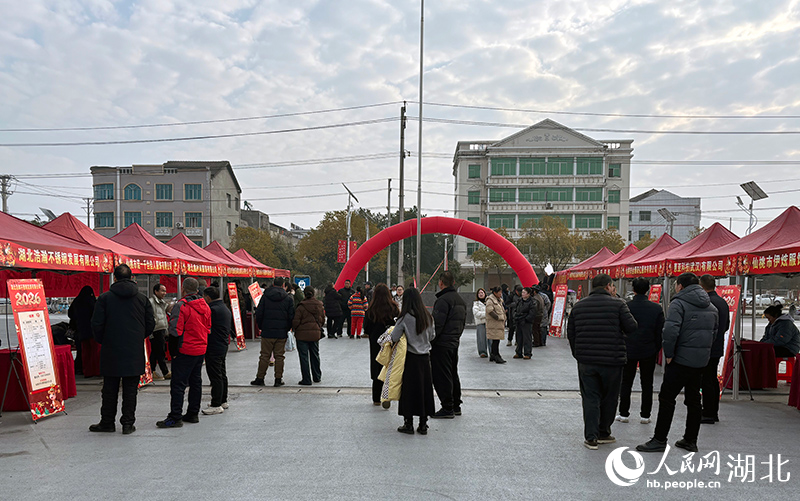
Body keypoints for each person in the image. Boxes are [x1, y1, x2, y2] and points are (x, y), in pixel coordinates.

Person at [637, 272, 718, 454]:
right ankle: (690, 439)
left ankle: (659, 439)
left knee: (667, 398)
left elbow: (670, 331)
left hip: (680, 359)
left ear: (680, 286)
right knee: (694, 399)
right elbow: (714, 332)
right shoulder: (711, 306)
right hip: (700, 361)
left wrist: (670, 353)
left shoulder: (678, 303)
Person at [567, 274, 637, 450]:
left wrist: (578, 353)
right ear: (608, 286)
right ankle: (604, 432)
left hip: (586, 361)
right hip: (612, 360)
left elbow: (571, 333)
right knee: (610, 397)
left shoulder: (579, 306)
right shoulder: (619, 304)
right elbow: (632, 327)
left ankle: (591, 437)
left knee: (590, 397)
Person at [89, 265, 155, 435]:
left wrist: (104, 340)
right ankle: (127, 423)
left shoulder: (104, 298)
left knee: (109, 389)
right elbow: (150, 324)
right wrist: (138, 337)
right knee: (131, 390)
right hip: (134, 350)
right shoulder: (142, 299)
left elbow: (96, 324)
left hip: (111, 349)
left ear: (115, 278)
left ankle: (107, 422)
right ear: (132, 277)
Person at [157, 278, 212, 428]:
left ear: (183, 289)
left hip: (185, 349)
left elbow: (175, 330)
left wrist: (173, 351)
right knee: (196, 382)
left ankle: (175, 416)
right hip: (200, 349)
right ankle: (193, 413)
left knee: (178, 385)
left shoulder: (181, 306)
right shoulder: (205, 305)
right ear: (197, 290)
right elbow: (208, 327)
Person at [617, 278, 665, 425]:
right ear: (648, 289)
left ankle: (623, 413)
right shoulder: (656, 309)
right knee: (647, 383)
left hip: (629, 349)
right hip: (648, 349)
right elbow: (660, 332)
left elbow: (620, 328)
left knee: (626, 382)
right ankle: (645, 415)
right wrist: (655, 348)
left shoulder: (626, 306)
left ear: (633, 289)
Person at [391, 287, 436, 435]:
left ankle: (408, 423)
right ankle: (423, 424)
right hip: (425, 358)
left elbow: (394, 337)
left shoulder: (404, 318)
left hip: (410, 358)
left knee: (409, 390)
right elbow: (432, 336)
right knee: (424, 390)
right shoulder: (428, 317)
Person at [430, 271, 467, 419]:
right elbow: (462, 323)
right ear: (454, 282)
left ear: (441, 283)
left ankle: (447, 407)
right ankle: (456, 404)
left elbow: (437, 325)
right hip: (454, 342)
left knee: (441, 376)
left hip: (441, 344)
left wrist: (431, 341)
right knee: (452, 373)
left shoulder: (442, 301)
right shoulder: (460, 300)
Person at [251, 276, 295, 387]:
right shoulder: (288, 298)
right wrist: (287, 328)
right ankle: (278, 379)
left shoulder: (265, 297)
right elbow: (291, 316)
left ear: (273, 284)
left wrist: (261, 326)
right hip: (281, 332)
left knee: (264, 356)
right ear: (283, 285)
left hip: (267, 331)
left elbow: (259, 313)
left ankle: (260, 378)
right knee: (279, 356)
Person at [699, 274, 730, 425]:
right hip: (717, 345)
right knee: (712, 379)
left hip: (707, 346)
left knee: (706, 380)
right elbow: (726, 325)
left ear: (702, 286)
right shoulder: (722, 302)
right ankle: (713, 411)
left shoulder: (707, 303)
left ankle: (708, 412)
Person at [364, 284, 400, 404]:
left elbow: (366, 328)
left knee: (377, 365)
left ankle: (376, 398)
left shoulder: (371, 309)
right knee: (389, 366)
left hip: (376, 341)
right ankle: (387, 396)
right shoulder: (394, 308)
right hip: (390, 340)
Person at [202, 286, 232, 415]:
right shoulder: (224, 308)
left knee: (215, 375)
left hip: (214, 345)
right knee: (221, 373)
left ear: (208, 297)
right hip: (222, 344)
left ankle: (216, 404)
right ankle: (222, 400)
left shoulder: (212, 310)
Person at [293, 286, 325, 385]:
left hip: (302, 335)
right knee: (315, 355)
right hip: (315, 334)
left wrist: (295, 328)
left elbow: (296, 321)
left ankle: (306, 379)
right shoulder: (319, 305)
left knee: (304, 357)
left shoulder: (301, 306)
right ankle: (317, 376)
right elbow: (322, 319)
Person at [68, 286, 96, 376]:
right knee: (93, 352)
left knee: (82, 351)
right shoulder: (92, 302)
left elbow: (70, 314)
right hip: (92, 331)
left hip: (80, 330)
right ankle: (92, 370)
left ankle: (82, 369)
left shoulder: (76, 301)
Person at [148, 283, 171, 380]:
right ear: (156, 291)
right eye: (162, 291)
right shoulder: (151, 302)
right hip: (156, 330)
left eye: (165, 291)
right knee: (160, 352)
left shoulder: (161, 302)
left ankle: (152, 371)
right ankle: (165, 372)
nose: (164, 293)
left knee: (155, 352)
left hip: (161, 329)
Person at [513, 287, 541, 359]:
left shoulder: (532, 302)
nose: (522, 294)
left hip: (526, 322)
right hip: (519, 321)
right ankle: (518, 352)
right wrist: (516, 316)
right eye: (522, 292)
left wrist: (526, 319)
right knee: (519, 338)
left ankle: (527, 353)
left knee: (527, 338)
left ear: (528, 294)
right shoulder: (520, 301)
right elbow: (515, 309)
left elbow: (532, 313)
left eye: (524, 293)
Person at [485, 286, 507, 364]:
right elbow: (489, 310)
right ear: (495, 293)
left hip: (498, 324)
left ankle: (493, 354)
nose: (501, 294)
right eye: (499, 293)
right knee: (495, 340)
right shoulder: (490, 300)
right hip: (494, 324)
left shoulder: (499, 300)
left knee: (496, 340)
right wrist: (498, 317)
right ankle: (496, 355)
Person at [472, 289, 489, 358]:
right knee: (481, 338)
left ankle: (492, 352)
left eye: (482, 292)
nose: (481, 294)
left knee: (491, 338)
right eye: (479, 293)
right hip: (480, 323)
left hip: (489, 323)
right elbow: (477, 313)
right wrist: (487, 314)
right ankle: (482, 352)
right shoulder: (476, 303)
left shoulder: (488, 302)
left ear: (485, 293)